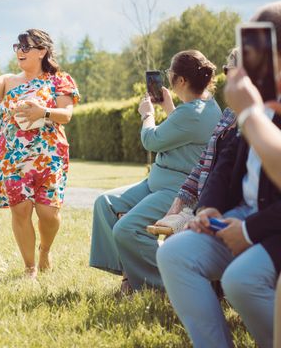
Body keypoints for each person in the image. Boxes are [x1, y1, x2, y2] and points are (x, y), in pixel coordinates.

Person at [156, 3, 281, 348]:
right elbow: (225, 163)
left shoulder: (257, 103)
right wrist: (207, 208)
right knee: (173, 254)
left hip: (273, 226)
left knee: (241, 280)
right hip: (237, 217)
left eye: (258, 48)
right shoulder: (254, 100)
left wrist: (251, 231)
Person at [89, 50, 222, 293]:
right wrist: (169, 106)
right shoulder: (203, 106)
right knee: (105, 203)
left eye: (170, 73)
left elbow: (151, 140)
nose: (167, 77)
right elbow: (184, 130)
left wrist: (147, 116)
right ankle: (130, 273)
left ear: (181, 80)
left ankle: (166, 285)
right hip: (156, 183)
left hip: (176, 189)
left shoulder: (191, 113)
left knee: (127, 229)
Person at [0, 29, 79, 278]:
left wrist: (44, 112)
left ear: (42, 51)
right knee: (20, 210)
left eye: (26, 47)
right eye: (17, 47)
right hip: (12, 155)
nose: (20, 51)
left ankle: (45, 251)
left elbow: (67, 115)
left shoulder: (59, 80)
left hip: (48, 153)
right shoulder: (8, 81)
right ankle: (30, 267)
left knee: (48, 213)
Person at [154, 49, 239, 234]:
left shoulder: (258, 121)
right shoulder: (227, 116)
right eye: (226, 71)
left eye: (231, 71)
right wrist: (178, 206)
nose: (229, 80)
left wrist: (147, 115)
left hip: (225, 213)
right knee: (170, 249)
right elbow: (204, 164)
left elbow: (151, 140)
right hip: (202, 205)